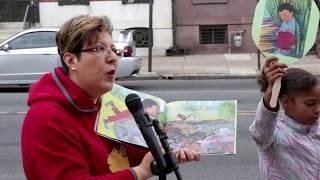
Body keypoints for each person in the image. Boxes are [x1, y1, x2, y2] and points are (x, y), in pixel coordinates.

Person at [21, 15, 200, 180]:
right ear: (71, 61)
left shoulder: (105, 102)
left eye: (114, 50)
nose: (113, 57)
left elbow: (128, 152)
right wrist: (139, 173)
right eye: (100, 49)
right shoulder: (46, 118)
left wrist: (165, 152)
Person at [249, 57, 320, 179]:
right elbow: (261, 128)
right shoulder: (273, 136)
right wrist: (272, 89)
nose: (318, 109)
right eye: (310, 104)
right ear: (286, 101)